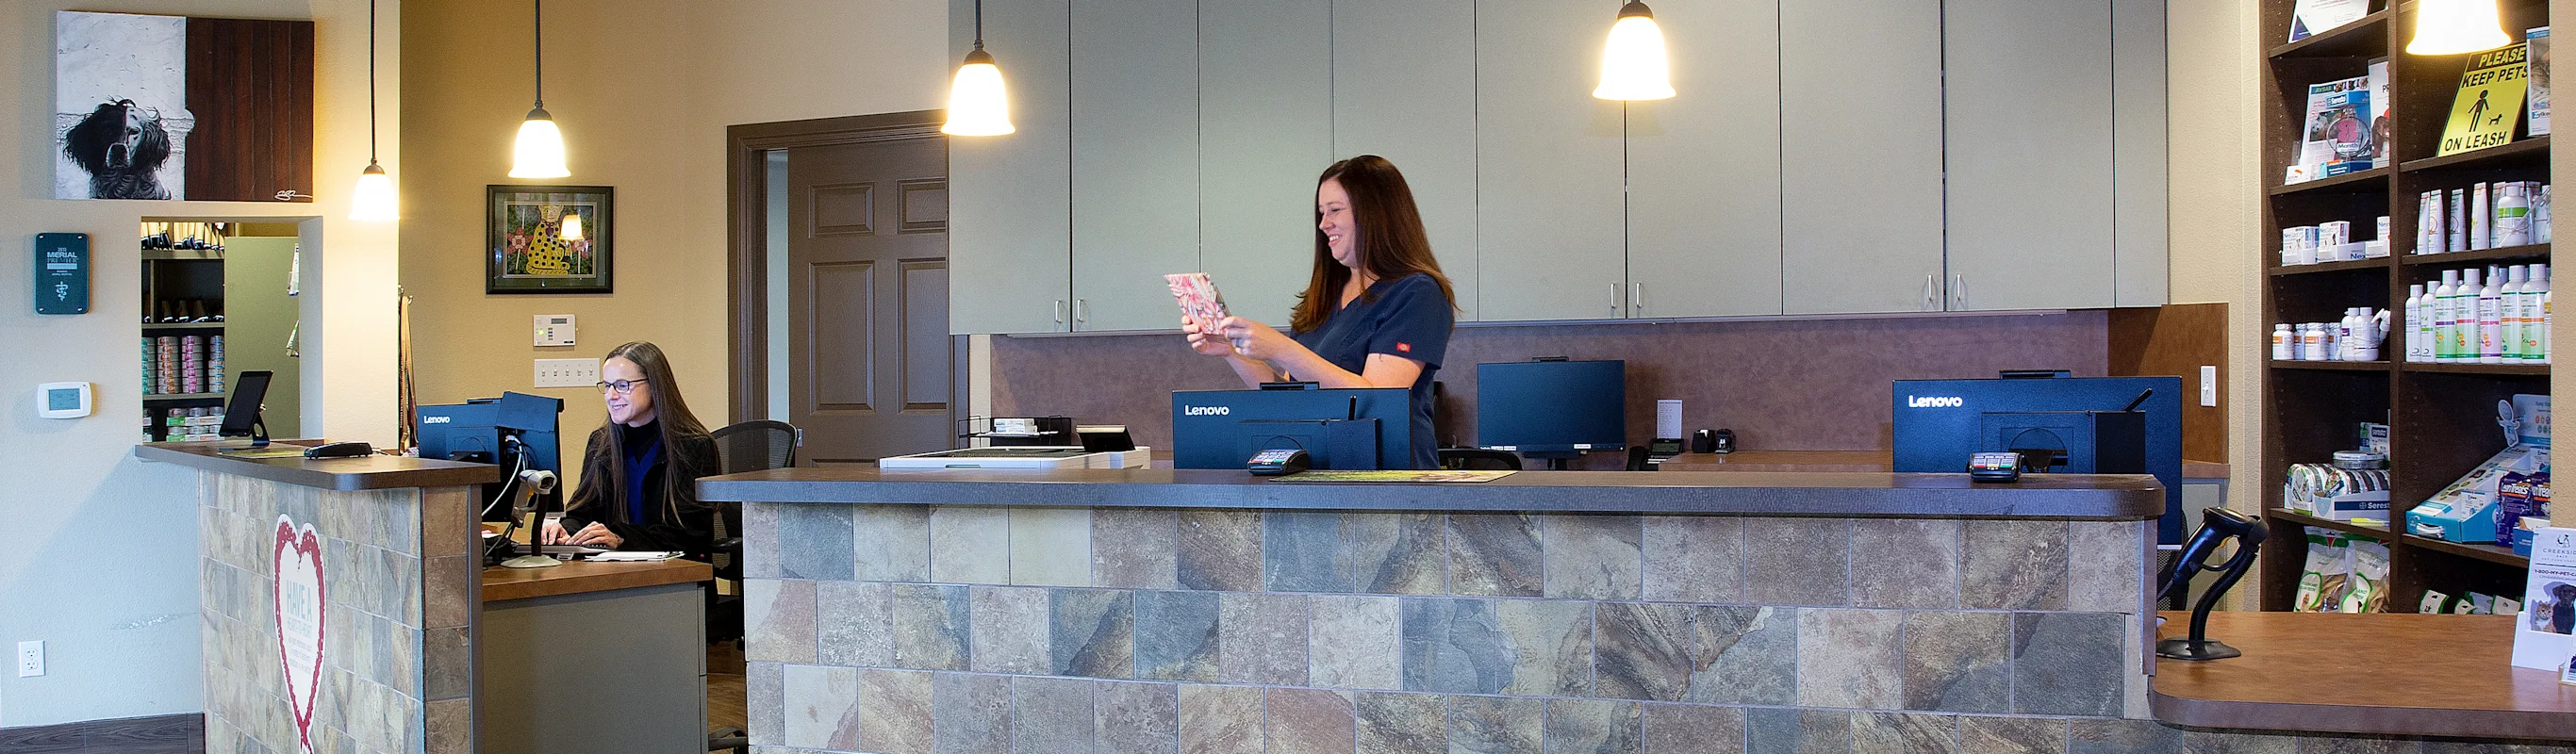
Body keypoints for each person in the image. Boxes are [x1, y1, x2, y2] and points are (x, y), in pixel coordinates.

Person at [1183, 155, 1458, 469]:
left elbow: (1381, 399)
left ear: (1376, 214)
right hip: (1321, 475)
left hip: (1391, 483)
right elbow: (1292, 399)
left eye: (1335, 211)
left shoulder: (1417, 293)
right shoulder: (1324, 298)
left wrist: (1283, 349)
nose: (1324, 224)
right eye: (1321, 212)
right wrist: (1232, 351)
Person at [544, 341, 722, 554]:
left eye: (622, 385)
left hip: (676, 573)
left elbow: (692, 533)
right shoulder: (601, 444)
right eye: (607, 386)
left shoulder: (694, 445)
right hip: (611, 571)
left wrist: (621, 539)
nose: (611, 396)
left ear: (654, 385)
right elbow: (584, 512)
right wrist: (565, 529)